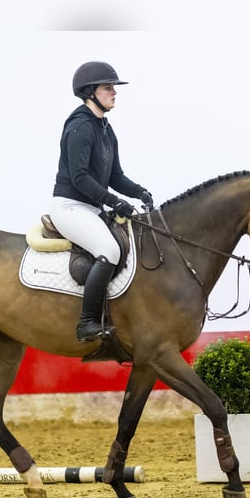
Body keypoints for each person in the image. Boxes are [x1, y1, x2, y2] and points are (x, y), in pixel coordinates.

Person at [50, 61, 154, 342]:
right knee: (109, 249)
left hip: (92, 208)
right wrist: (115, 202)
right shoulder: (80, 127)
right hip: (69, 206)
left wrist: (139, 192)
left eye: (113, 88)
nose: (114, 92)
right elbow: (80, 177)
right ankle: (87, 322)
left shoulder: (105, 129)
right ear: (90, 92)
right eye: (108, 87)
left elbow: (115, 176)